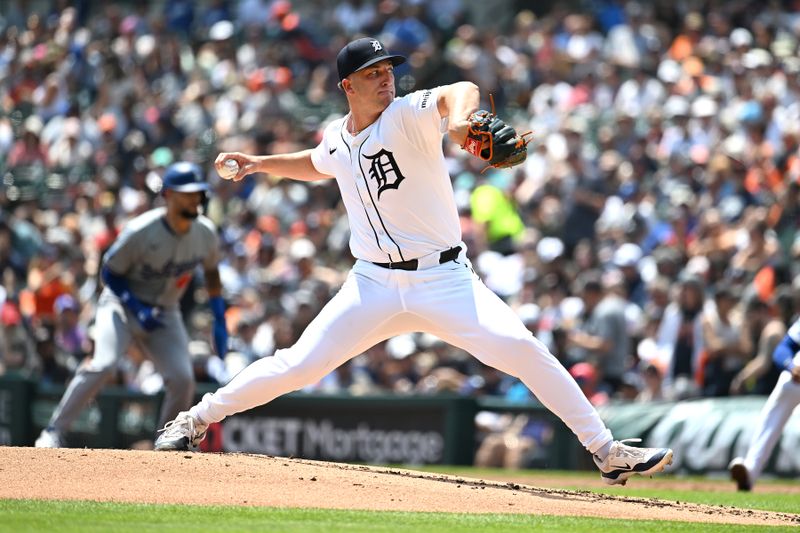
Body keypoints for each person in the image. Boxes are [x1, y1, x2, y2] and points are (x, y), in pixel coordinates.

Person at [154, 37, 673, 486]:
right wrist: (260, 163)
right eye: (372, 74)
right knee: (298, 364)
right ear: (346, 87)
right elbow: (317, 164)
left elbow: (458, 90)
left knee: (520, 346)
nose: (386, 80)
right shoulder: (337, 137)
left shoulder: (407, 116)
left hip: (443, 277)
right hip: (372, 285)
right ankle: (194, 421)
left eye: (388, 72)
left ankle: (606, 451)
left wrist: (467, 118)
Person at [35, 162, 229, 448]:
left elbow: (212, 274)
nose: (194, 200)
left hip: (165, 311)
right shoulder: (142, 230)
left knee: (183, 378)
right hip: (122, 306)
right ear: (167, 196)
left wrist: (220, 320)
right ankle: (54, 430)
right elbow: (109, 272)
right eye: (186, 193)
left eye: (197, 193)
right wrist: (136, 307)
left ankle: (168, 440)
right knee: (103, 364)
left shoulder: (205, 233)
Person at [728, 315, 800, 491]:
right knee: (784, 387)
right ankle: (750, 471)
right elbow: (782, 349)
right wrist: (790, 366)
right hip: (795, 379)